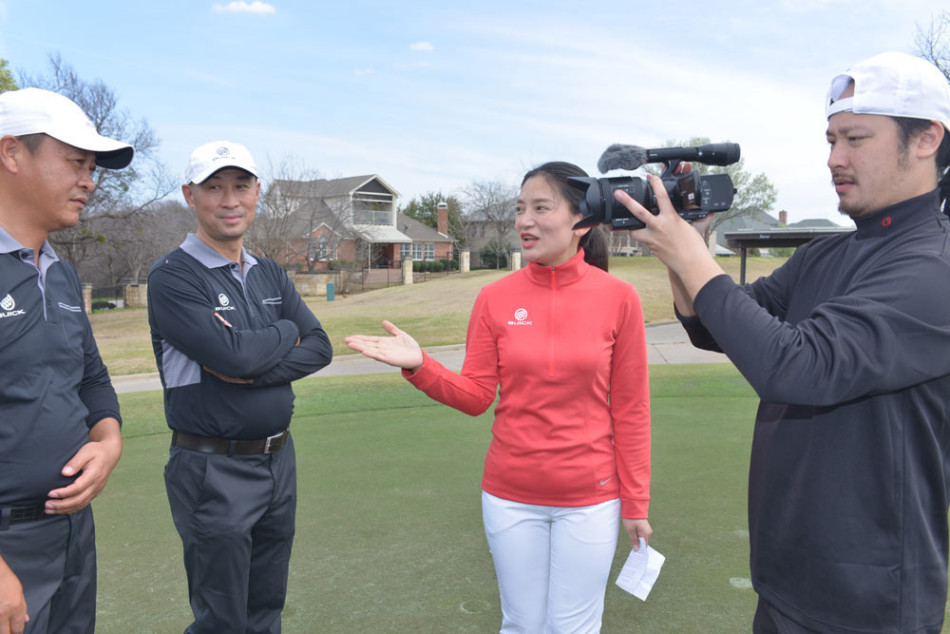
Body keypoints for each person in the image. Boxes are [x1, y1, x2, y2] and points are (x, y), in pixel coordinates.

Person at [619, 51, 950, 633]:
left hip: (869, 601)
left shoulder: (935, 266)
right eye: (830, 139)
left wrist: (695, 260)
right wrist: (682, 247)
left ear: (926, 140)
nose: (834, 159)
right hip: (784, 581)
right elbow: (714, 323)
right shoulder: (827, 252)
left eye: (855, 139)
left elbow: (798, 368)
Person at [346, 161, 652, 634]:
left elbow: (631, 410)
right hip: (511, 497)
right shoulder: (494, 298)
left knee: (574, 627)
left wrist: (636, 502)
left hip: (590, 498)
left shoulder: (620, 298)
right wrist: (418, 365)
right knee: (523, 625)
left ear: (582, 220)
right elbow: (475, 396)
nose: (524, 221)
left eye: (540, 208)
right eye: (519, 209)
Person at [147, 140, 333, 633]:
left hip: (277, 461)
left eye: (240, 185)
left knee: (266, 607)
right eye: (214, 187)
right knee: (223, 619)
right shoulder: (172, 277)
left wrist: (259, 356)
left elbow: (319, 346)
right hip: (213, 468)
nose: (229, 200)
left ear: (257, 193)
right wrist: (282, 334)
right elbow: (233, 356)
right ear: (190, 195)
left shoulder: (269, 271)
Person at [0, 87, 132, 633]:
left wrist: (109, 441)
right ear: (10, 153)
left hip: (73, 534)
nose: (90, 180)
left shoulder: (59, 271)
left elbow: (90, 378)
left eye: (93, 166)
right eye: (76, 162)